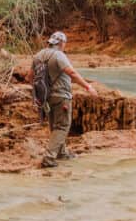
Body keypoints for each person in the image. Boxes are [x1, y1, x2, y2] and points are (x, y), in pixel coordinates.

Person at [28, 31, 97, 168]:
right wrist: (88, 87)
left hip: (46, 97)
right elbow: (71, 73)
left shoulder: (38, 56)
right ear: (61, 43)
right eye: (65, 43)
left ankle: (62, 153)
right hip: (61, 97)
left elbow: (30, 77)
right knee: (62, 126)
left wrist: (40, 91)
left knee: (55, 126)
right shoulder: (59, 55)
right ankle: (49, 157)